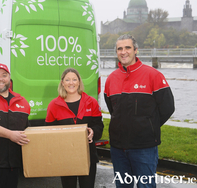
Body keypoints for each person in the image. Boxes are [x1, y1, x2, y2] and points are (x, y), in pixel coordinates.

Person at [104, 34, 175, 188]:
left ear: (136, 50)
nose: (123, 52)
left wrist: (148, 125)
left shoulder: (153, 75)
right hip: (118, 148)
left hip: (144, 148)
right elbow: (113, 110)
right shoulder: (110, 79)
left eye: (127, 48)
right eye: (119, 49)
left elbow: (168, 107)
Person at [46, 68, 104, 188]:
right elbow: (48, 132)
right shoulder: (54, 105)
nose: (71, 83)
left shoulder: (91, 102)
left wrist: (93, 132)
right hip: (65, 156)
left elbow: (99, 126)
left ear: (79, 82)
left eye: (74, 79)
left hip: (88, 155)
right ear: (62, 83)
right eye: (67, 80)